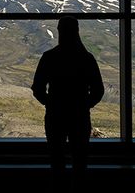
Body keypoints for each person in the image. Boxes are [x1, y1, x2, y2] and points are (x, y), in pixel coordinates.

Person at [31, 16, 104, 185]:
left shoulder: (49, 57)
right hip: (80, 117)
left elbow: (37, 88)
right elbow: (98, 90)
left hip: (55, 116)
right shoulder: (87, 58)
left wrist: (50, 103)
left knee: (56, 160)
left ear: (59, 31)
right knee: (80, 161)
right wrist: (84, 105)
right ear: (77, 31)